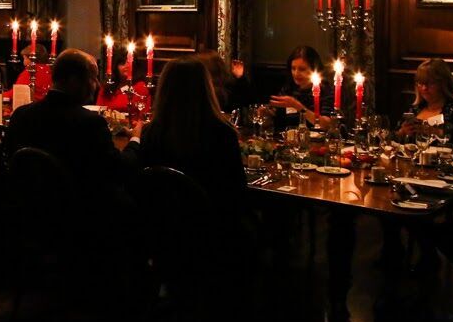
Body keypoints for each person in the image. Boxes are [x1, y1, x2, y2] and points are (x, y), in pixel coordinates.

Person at [5, 49, 140, 188]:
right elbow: (118, 169)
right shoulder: (90, 123)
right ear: (74, 80)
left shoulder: (20, 115)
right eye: (93, 78)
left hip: (26, 197)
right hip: (77, 199)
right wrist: (135, 139)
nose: (97, 84)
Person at [141, 56, 246, 210]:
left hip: (160, 219)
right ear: (206, 87)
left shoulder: (150, 132)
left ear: (164, 89)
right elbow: (237, 191)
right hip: (211, 219)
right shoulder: (222, 133)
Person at [267, 45, 330, 129]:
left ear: (314, 69)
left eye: (302, 69)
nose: (296, 73)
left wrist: (297, 106)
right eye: (293, 68)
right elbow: (274, 116)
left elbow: (326, 125)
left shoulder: (325, 90)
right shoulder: (289, 88)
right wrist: (266, 114)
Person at [95, 47, 150, 122]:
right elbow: (99, 110)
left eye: (129, 62)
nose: (126, 66)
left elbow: (143, 115)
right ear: (116, 66)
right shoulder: (107, 87)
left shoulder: (140, 87)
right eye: (122, 63)